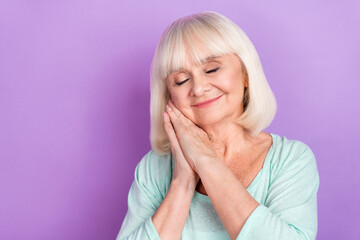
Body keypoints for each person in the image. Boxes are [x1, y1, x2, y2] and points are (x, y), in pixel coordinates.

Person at [116, 11, 319, 240]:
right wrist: (182, 180)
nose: (199, 88)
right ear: (169, 97)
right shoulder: (154, 168)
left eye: (212, 69)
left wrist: (204, 159)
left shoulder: (291, 159)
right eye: (181, 80)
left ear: (245, 74)